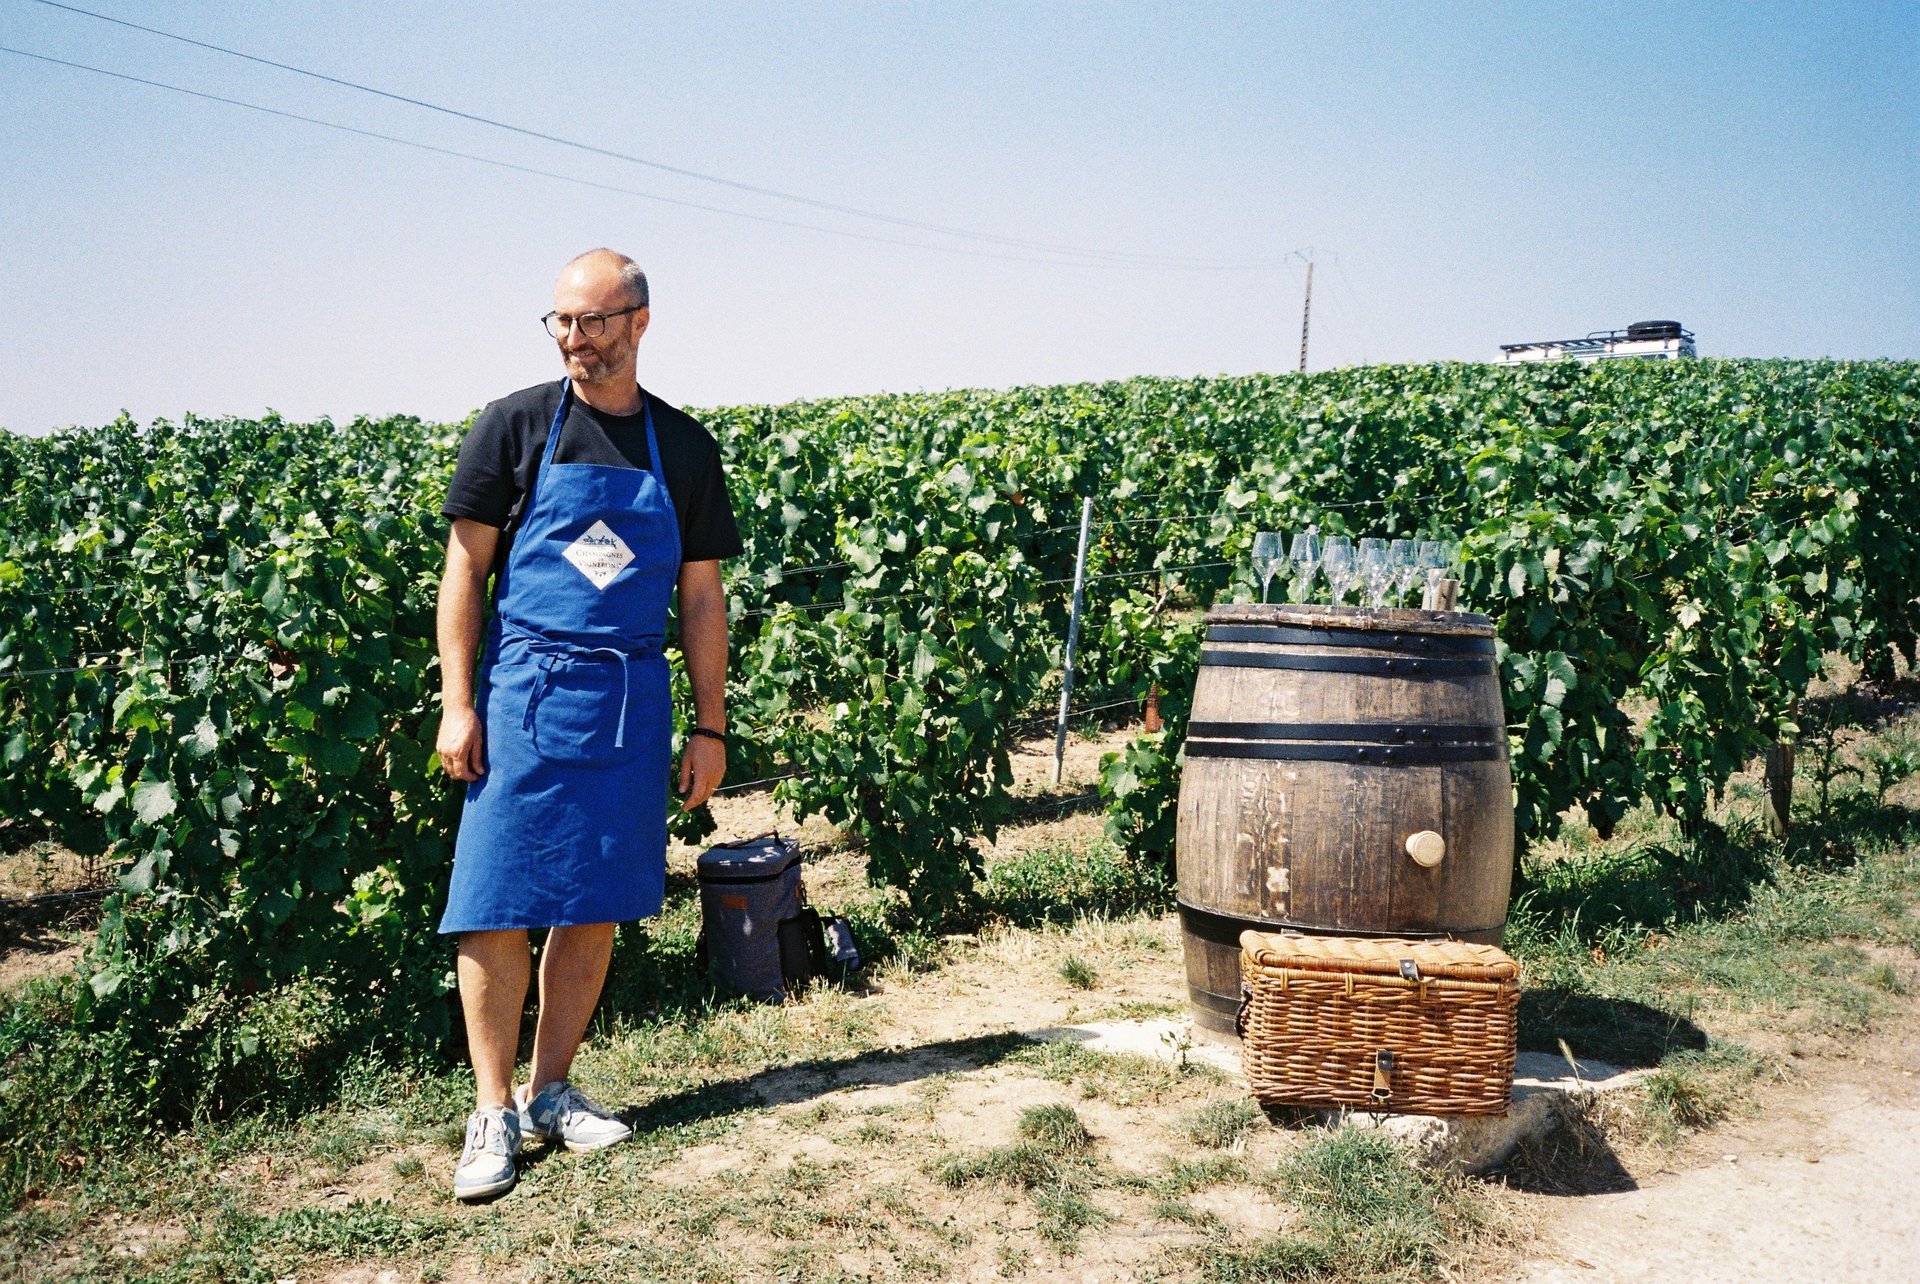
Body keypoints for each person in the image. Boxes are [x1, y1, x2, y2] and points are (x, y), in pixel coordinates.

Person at [434, 248, 741, 1200]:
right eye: (562, 322)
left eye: (595, 322)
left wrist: (710, 726)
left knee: (596, 897)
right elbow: (463, 574)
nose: (576, 340)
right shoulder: (514, 426)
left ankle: (551, 1089)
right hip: (524, 691)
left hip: (627, 701)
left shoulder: (683, 448)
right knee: (493, 898)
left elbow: (699, 599)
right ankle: (492, 1113)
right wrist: (458, 702)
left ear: (641, 322)